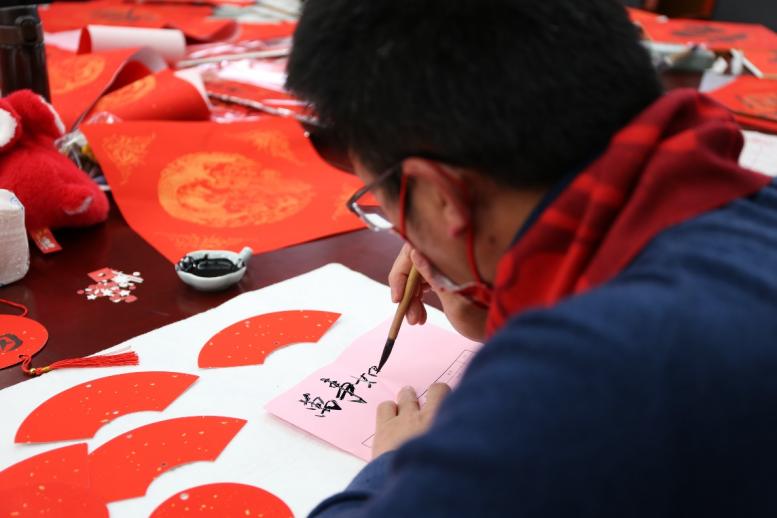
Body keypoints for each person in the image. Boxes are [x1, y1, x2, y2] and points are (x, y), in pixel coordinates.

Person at [286, 0, 777, 516]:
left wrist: (398, 465)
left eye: (386, 203)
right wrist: (507, 303)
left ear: (443, 197)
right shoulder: (741, 204)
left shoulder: (575, 386)